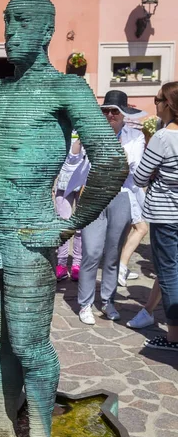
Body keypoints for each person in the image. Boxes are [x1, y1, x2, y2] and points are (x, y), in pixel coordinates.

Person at [0, 0, 127, 437]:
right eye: (7, 22)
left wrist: (68, 224)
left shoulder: (66, 89)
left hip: (29, 237)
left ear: (47, 31)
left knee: (30, 343)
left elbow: (111, 160)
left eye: (22, 22)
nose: (10, 32)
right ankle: (5, 427)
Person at [78, 90, 145, 325]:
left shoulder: (135, 137)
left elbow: (133, 164)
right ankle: (85, 303)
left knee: (113, 254)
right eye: (105, 110)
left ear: (124, 114)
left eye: (114, 111)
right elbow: (75, 164)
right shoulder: (90, 134)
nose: (109, 115)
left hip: (122, 195)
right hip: (93, 196)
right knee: (92, 252)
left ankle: (108, 301)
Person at [134, 82, 178, 351]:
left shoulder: (163, 137)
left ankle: (173, 337)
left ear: (169, 104)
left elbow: (140, 176)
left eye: (158, 99)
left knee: (169, 273)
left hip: (166, 214)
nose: (155, 103)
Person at [55, 133, 85, 281]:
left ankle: (77, 264)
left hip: (86, 182)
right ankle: (61, 264)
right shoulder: (66, 127)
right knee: (63, 224)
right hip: (65, 182)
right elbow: (71, 157)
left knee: (82, 226)